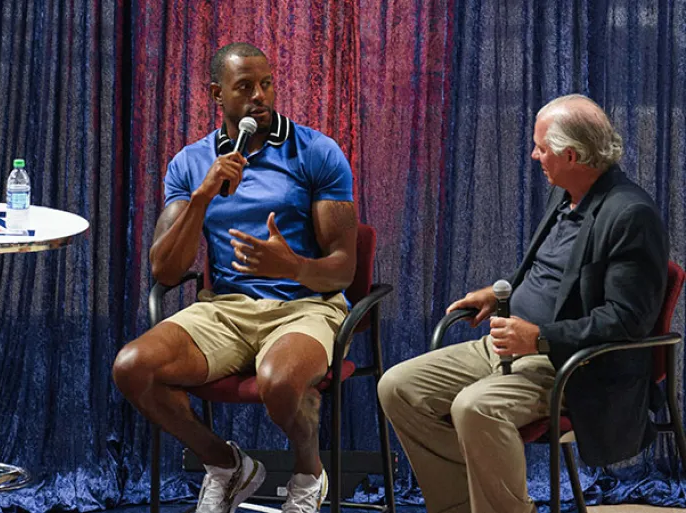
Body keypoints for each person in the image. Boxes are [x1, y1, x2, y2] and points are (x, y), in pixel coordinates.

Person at [377, 94, 668, 513]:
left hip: (570, 366)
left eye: (542, 148)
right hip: (509, 343)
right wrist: (500, 295)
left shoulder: (630, 215)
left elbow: (628, 321)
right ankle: (462, 505)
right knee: (398, 388)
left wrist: (541, 338)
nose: (534, 155)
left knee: (475, 407)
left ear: (572, 154)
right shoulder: (565, 194)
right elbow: (550, 275)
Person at [112, 42, 359, 513]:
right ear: (216, 94)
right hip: (225, 309)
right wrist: (203, 196)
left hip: (305, 305)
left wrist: (292, 267)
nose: (259, 97)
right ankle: (225, 464)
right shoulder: (190, 163)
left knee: (280, 382)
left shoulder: (316, 152)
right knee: (132, 367)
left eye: (266, 84)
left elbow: (344, 268)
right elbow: (163, 269)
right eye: (244, 87)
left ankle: (309, 475)